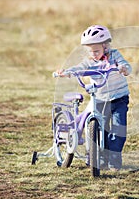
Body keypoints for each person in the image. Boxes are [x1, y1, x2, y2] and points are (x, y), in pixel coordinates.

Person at [56, 25, 131, 171]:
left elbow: (126, 65)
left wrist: (123, 69)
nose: (94, 54)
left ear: (106, 46)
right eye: (90, 51)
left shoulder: (115, 56)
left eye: (96, 51)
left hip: (119, 99)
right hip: (101, 99)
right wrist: (67, 72)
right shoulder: (90, 62)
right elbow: (79, 68)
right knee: (99, 129)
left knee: (118, 130)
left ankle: (114, 160)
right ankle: (99, 158)